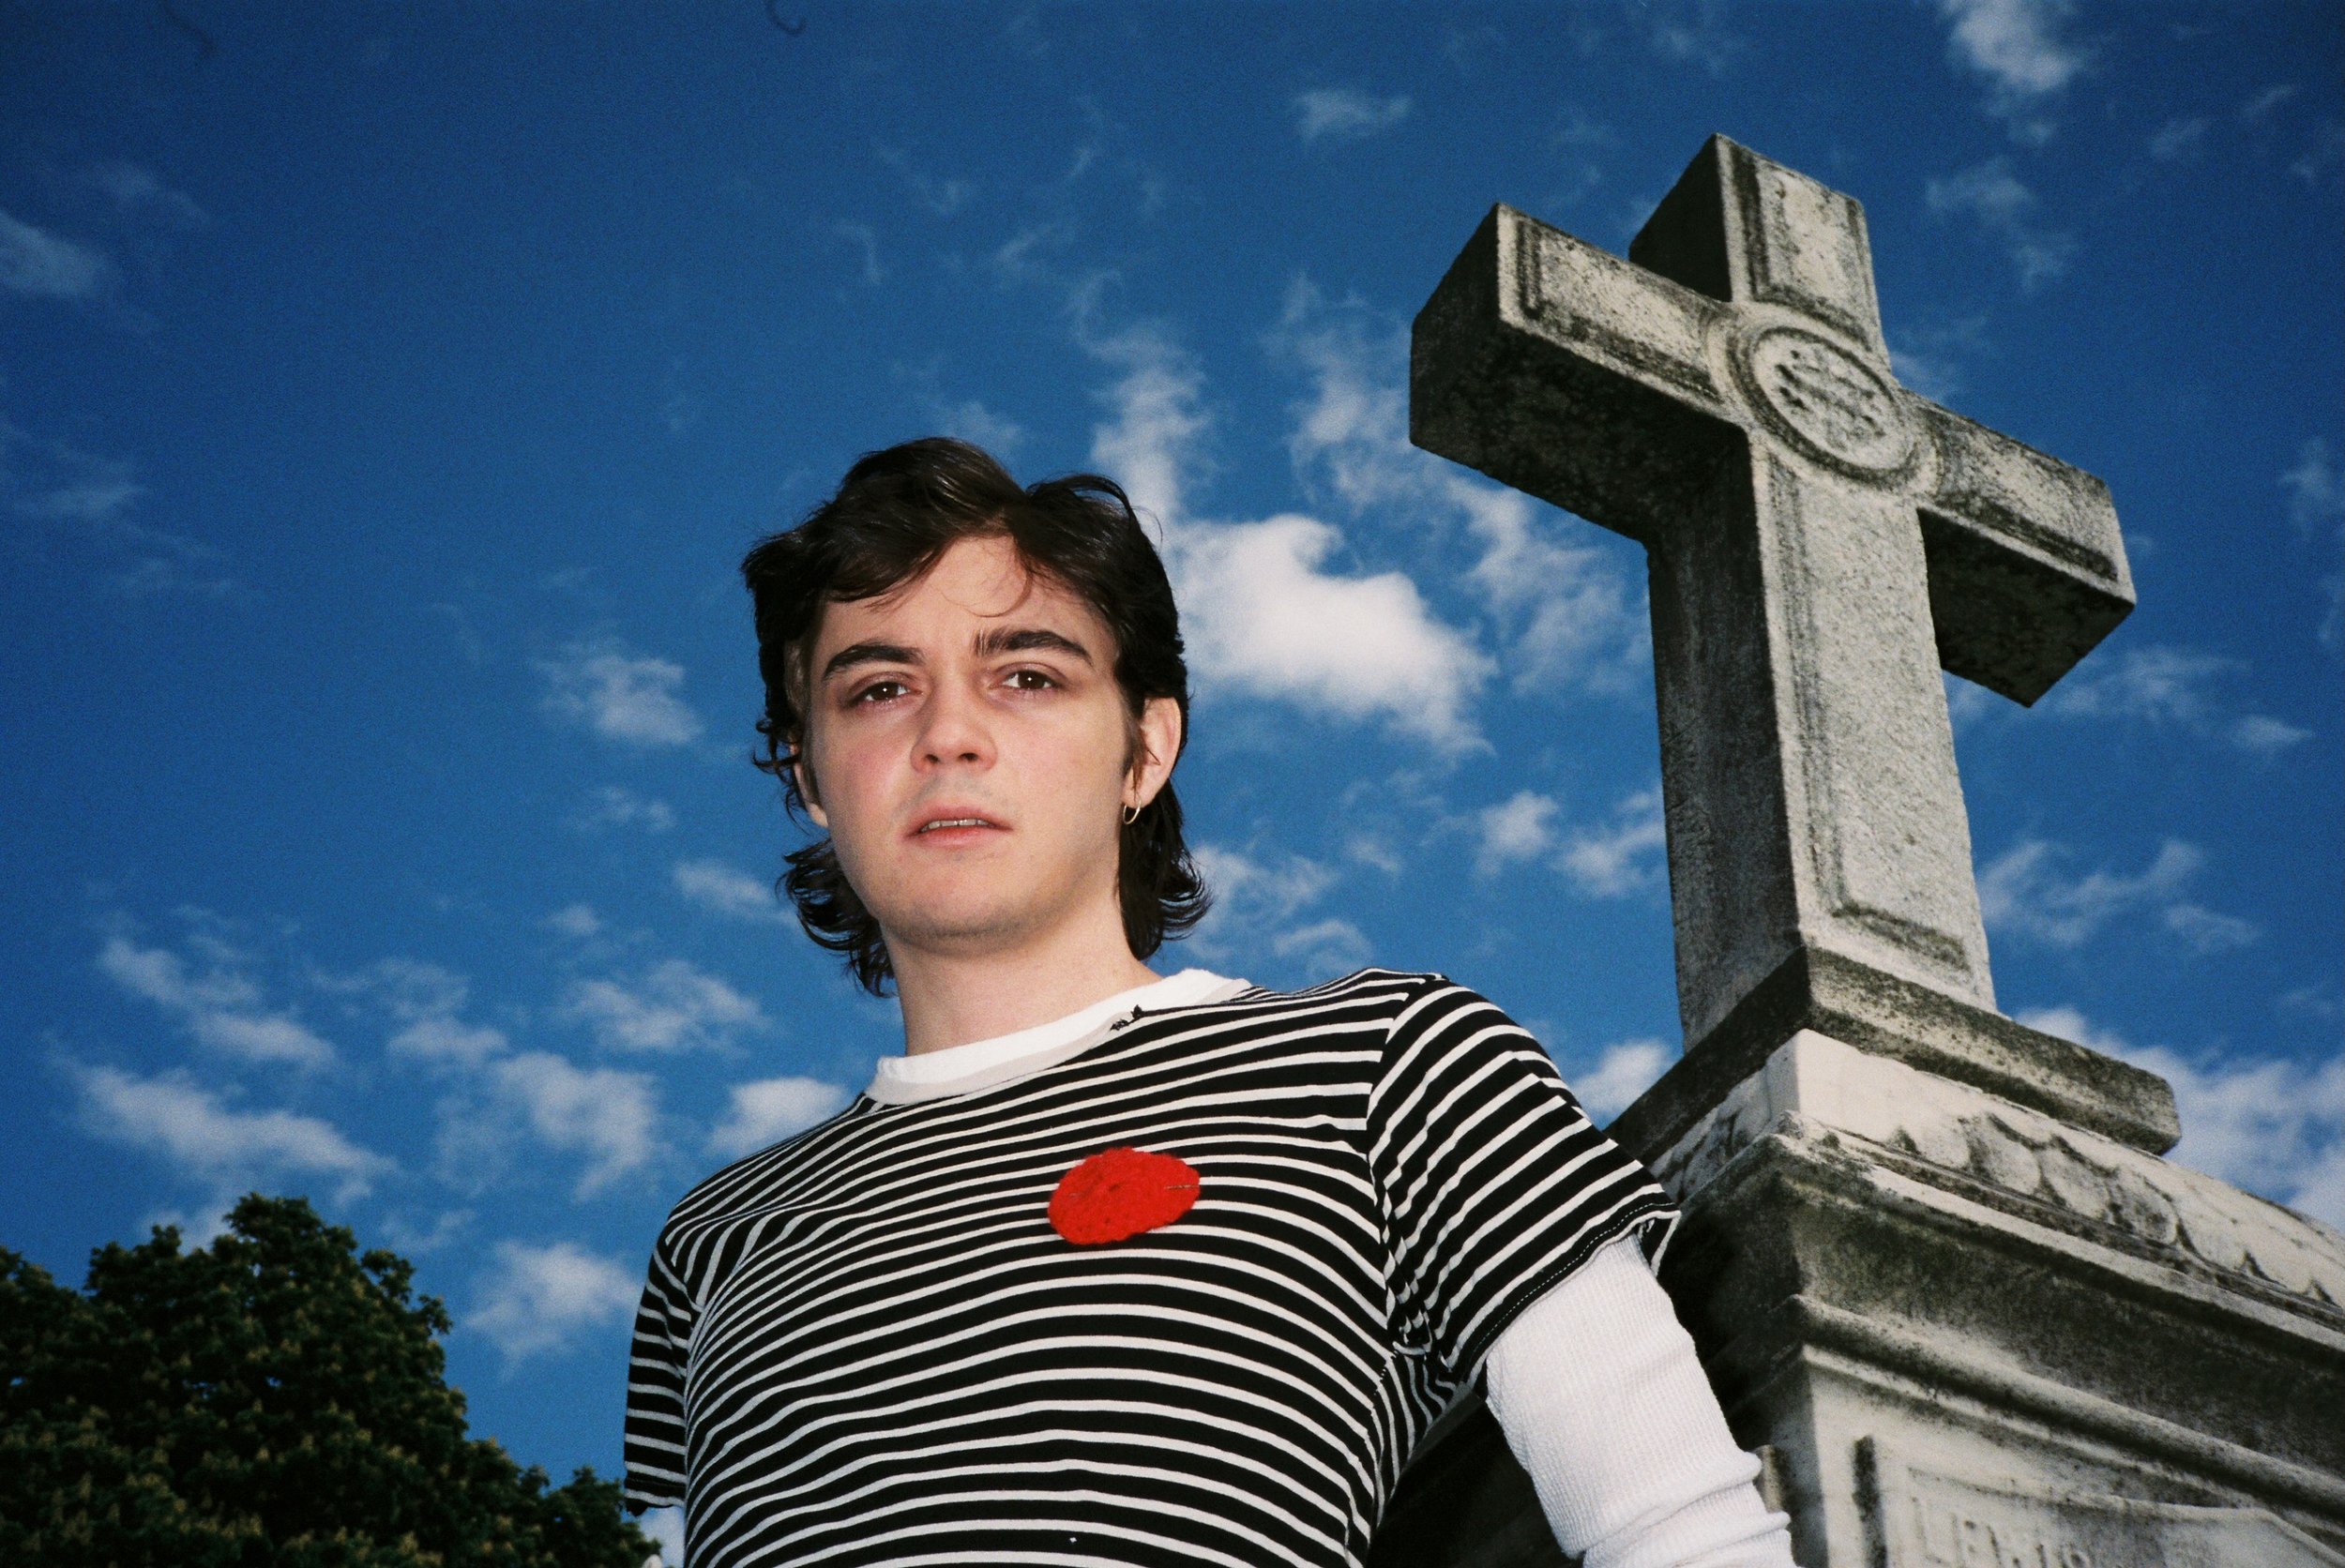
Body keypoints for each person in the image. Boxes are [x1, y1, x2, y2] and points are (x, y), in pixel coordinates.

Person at [623, 438, 1793, 1568]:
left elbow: (1682, 1530)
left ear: (1145, 749)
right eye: (878, 689)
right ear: (808, 775)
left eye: (1026, 674)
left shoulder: (1387, 1063)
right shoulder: (711, 1238)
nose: (949, 735)